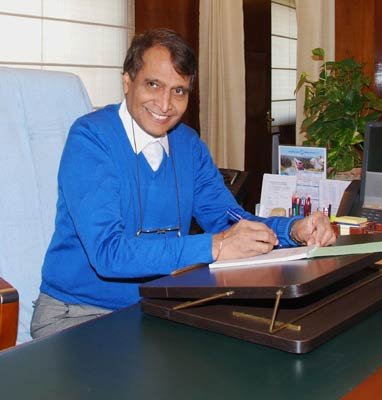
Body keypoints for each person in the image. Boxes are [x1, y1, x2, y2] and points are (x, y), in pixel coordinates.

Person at [30, 28, 336, 338]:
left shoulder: (188, 145)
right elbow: (109, 252)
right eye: (153, 85)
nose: (165, 104)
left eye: (179, 91)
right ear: (127, 82)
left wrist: (293, 230)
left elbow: (229, 221)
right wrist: (215, 246)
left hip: (157, 308)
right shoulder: (91, 138)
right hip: (80, 313)